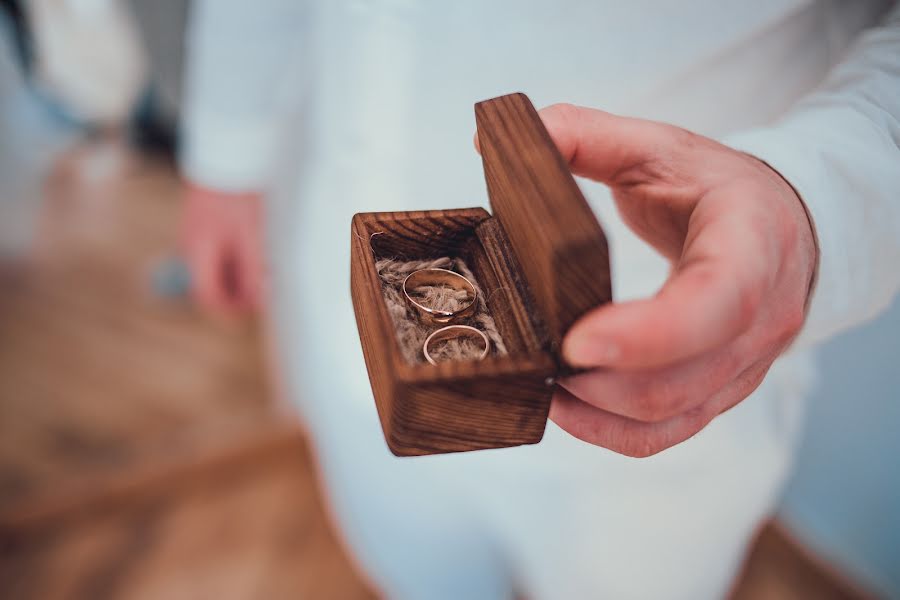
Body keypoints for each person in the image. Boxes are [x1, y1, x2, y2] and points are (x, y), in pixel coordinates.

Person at [180, 2, 900, 598]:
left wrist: (819, 195)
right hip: (356, 334)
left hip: (657, 388)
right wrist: (227, 151)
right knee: (412, 574)